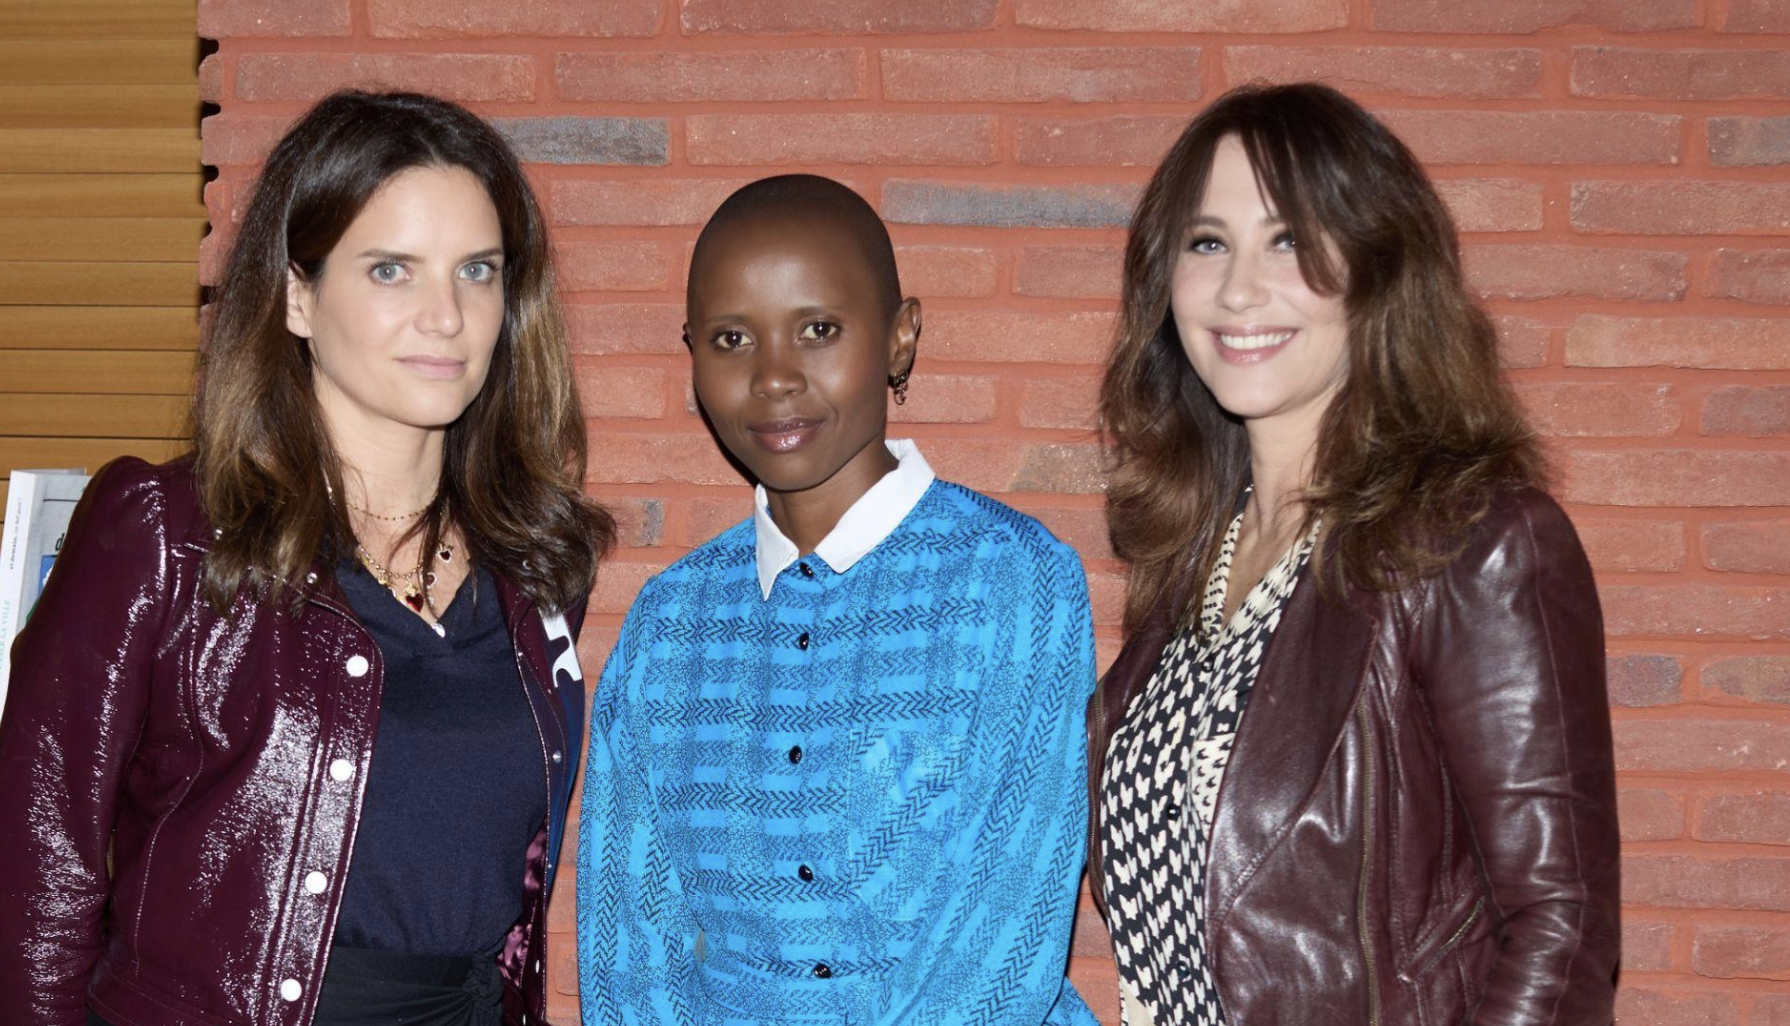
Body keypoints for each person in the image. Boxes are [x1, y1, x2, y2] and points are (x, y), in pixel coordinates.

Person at [0, 90, 612, 1026]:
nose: (447, 316)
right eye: (391, 270)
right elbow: (39, 877)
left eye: (477, 270)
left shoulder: (534, 571)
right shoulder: (167, 536)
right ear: (298, 295)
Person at [1090, 83, 1620, 1026]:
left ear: (1380, 269)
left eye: (1289, 240)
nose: (1239, 289)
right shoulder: (1193, 567)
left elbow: (1560, 925)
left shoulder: (1476, 543)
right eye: (1207, 243)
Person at [577, 174, 1097, 1026]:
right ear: (693, 357)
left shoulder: (1014, 581)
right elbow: (629, 950)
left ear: (900, 337)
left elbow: (1008, 931)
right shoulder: (669, 626)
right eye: (732, 339)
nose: (774, 377)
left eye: (818, 330)